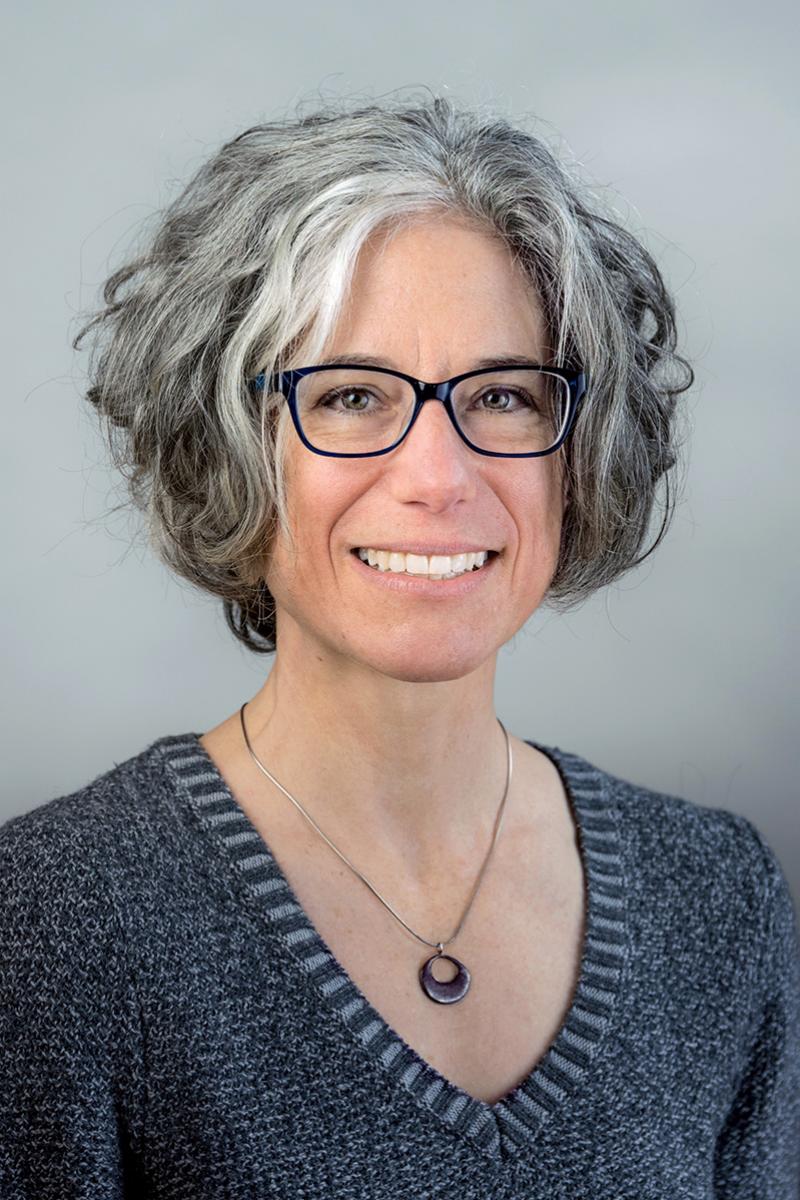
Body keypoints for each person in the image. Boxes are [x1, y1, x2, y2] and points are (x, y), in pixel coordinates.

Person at [1, 93, 797, 1198]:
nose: (435, 475)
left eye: (506, 396)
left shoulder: (716, 899)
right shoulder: (54, 920)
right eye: (350, 395)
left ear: (579, 453)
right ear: (226, 446)